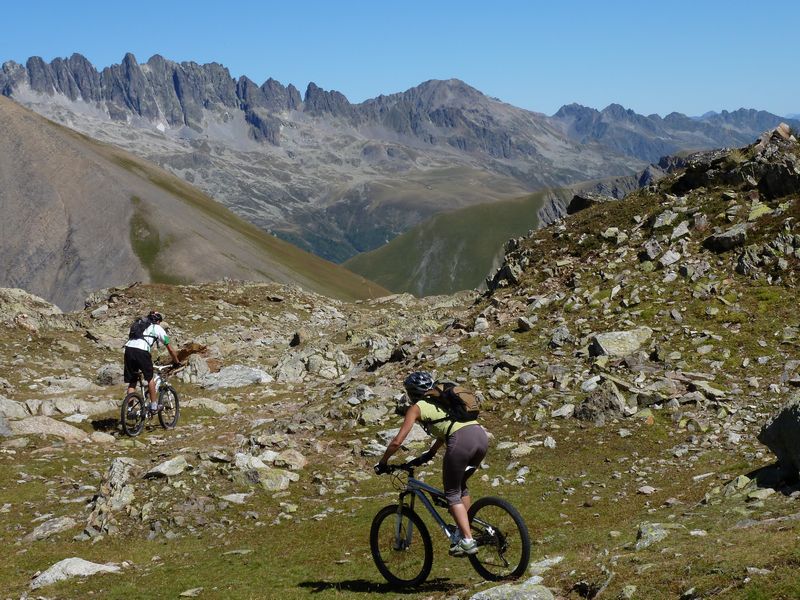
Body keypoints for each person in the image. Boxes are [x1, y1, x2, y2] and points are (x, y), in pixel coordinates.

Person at [375, 371, 489, 557]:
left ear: (411, 392)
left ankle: (467, 540)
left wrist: (383, 462)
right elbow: (448, 427)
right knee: (460, 486)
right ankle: (465, 528)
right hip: (480, 436)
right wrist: (432, 452)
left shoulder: (417, 407)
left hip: (461, 441)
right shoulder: (443, 401)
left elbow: (397, 441)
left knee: (451, 493)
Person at [123, 311, 181, 412]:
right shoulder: (157, 328)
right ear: (158, 321)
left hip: (128, 349)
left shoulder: (139, 324)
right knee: (150, 378)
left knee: (132, 382)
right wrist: (176, 362)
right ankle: (154, 406)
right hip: (142, 350)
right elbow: (170, 349)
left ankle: (129, 410)